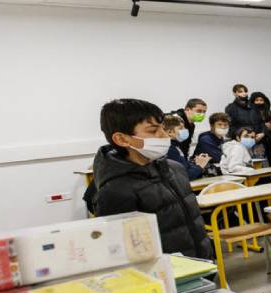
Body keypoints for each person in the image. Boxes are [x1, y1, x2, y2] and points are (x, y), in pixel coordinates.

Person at [91, 98, 212, 259]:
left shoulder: (175, 169)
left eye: (162, 128)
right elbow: (123, 251)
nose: (163, 135)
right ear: (122, 139)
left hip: (202, 263)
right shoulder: (115, 190)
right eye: (153, 131)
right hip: (165, 274)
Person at [161, 114, 210, 179]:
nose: (185, 130)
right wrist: (200, 166)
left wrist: (195, 163)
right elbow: (185, 175)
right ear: (170, 132)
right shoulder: (169, 149)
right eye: (181, 128)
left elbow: (185, 167)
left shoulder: (175, 146)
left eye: (184, 127)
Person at [251, 92, 271, 166]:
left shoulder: (268, 111)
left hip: (270, 140)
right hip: (258, 141)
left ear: (264, 101)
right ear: (253, 101)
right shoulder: (250, 113)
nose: (259, 102)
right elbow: (252, 128)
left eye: (261, 100)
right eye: (256, 100)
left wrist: (267, 127)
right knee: (258, 164)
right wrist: (266, 125)